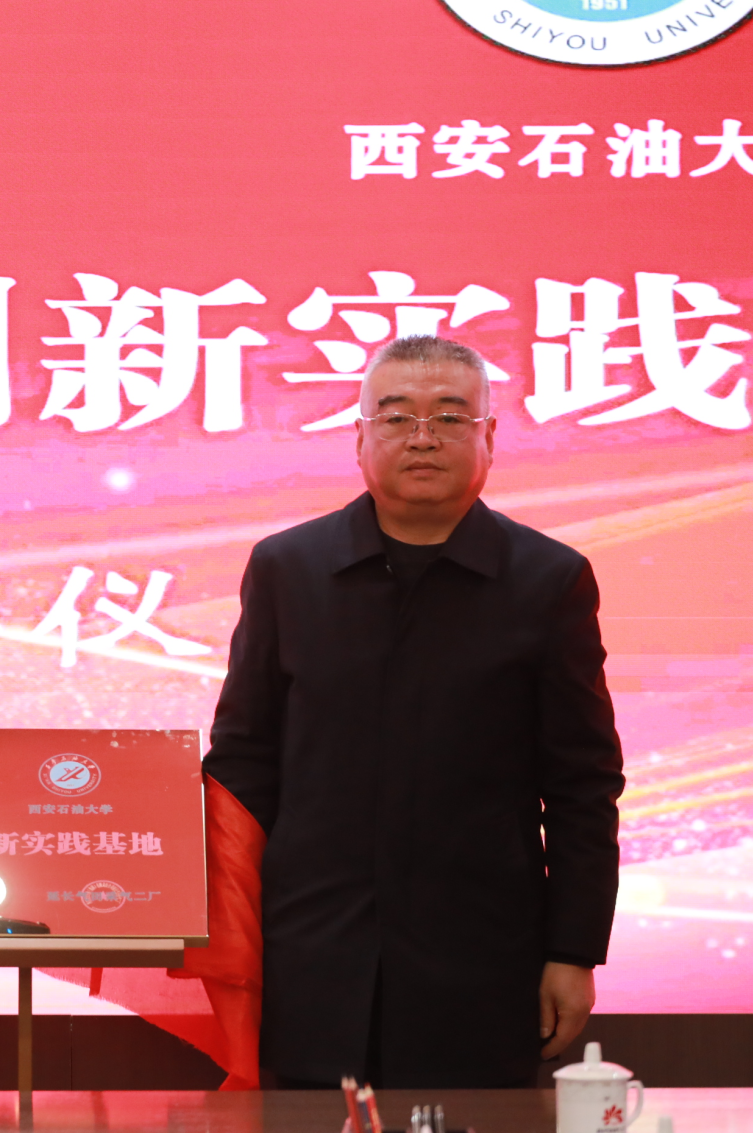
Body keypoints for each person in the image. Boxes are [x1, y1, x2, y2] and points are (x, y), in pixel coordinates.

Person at [203, 334, 623, 1089]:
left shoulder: (548, 580)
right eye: (396, 417)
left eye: (450, 417)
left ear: (490, 437)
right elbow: (242, 763)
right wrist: (230, 937)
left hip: (484, 953)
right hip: (310, 947)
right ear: (359, 437)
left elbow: (582, 783)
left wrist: (574, 950)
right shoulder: (287, 569)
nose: (422, 437)